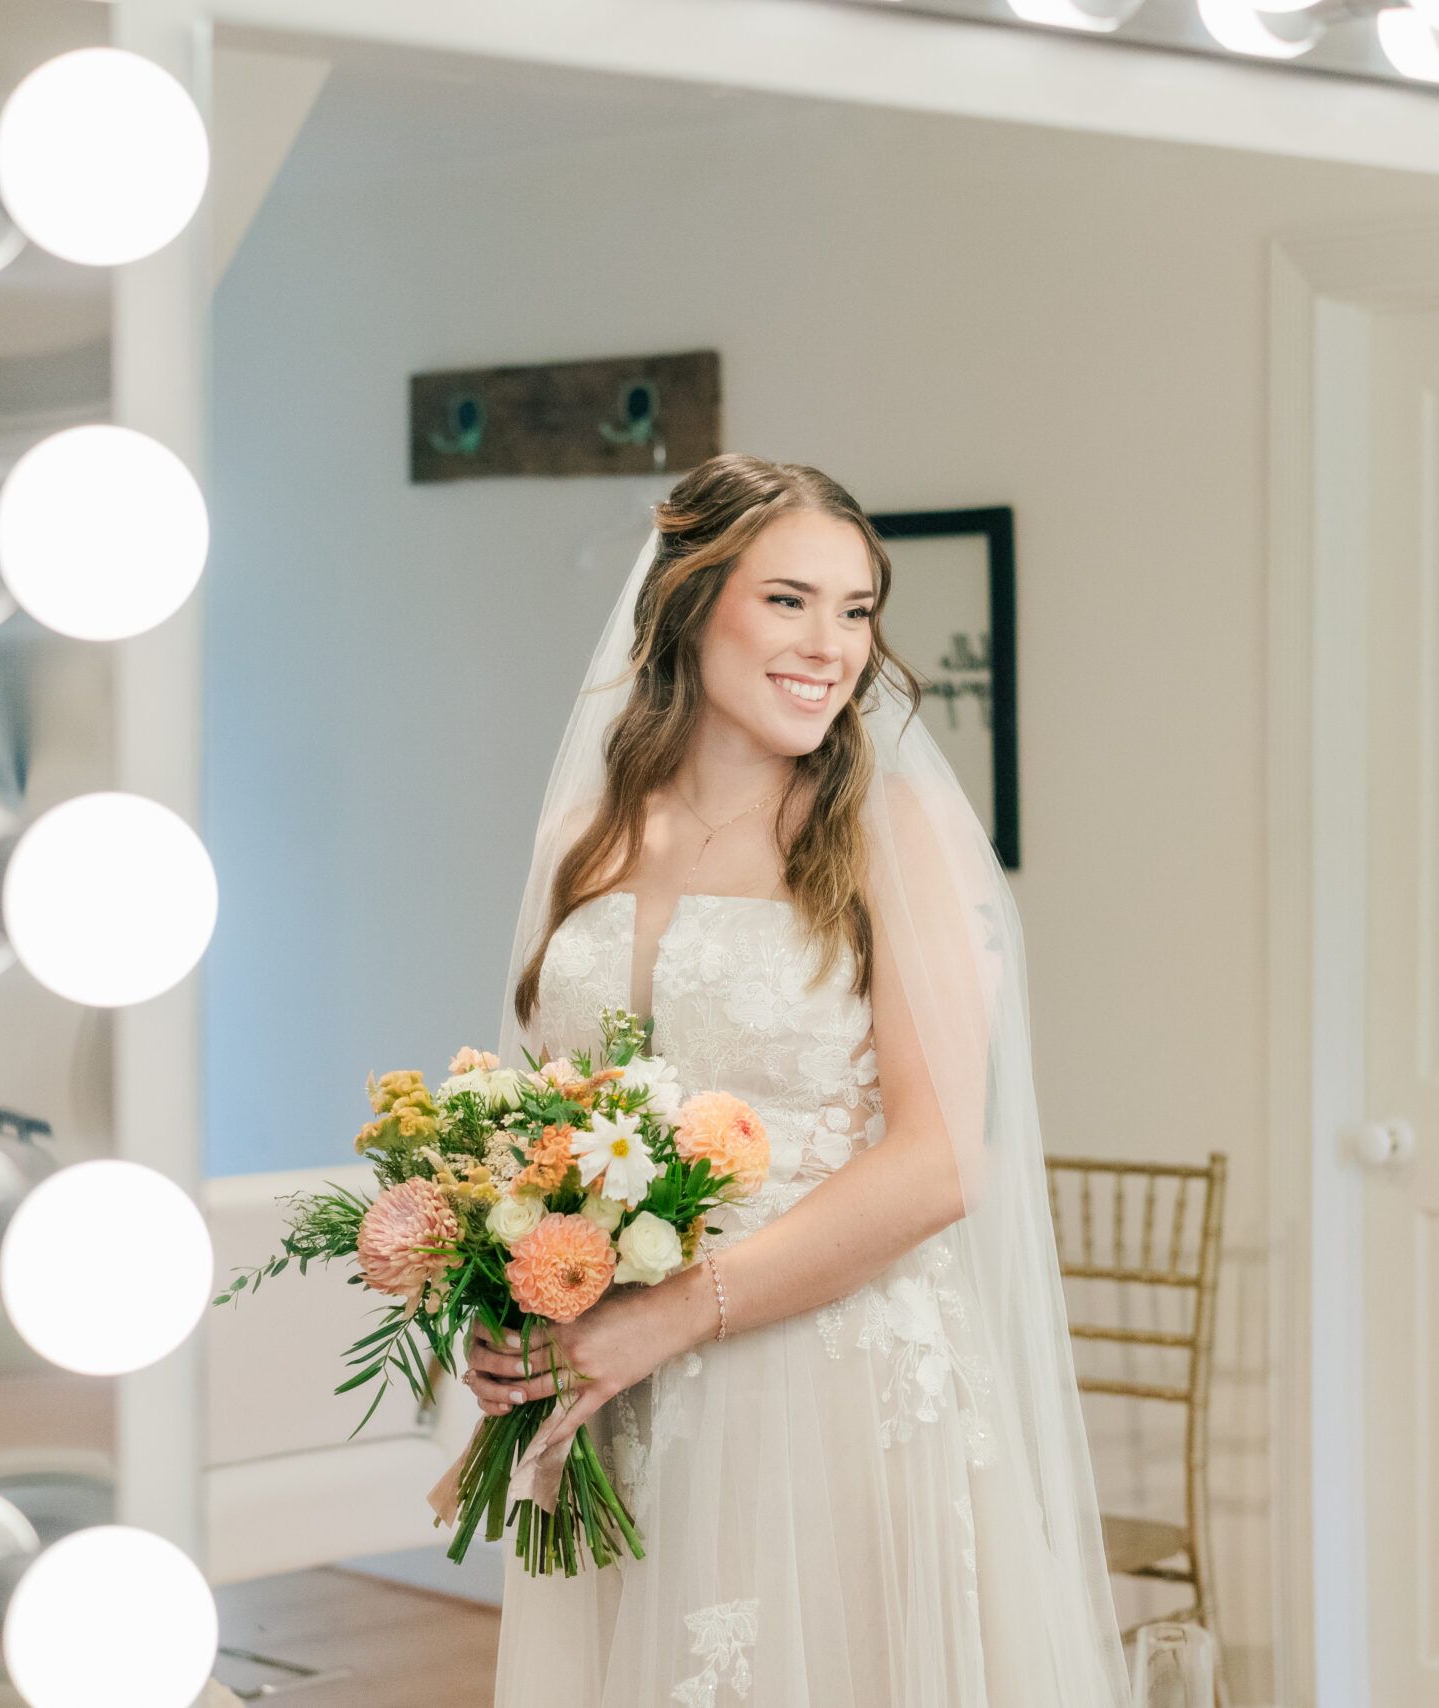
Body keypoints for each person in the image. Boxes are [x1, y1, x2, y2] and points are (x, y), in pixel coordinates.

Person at [462, 454, 1129, 1705]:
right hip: (618, 1398)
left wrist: (671, 1312)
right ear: (687, 604)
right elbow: (544, 1137)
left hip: (826, 1383)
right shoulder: (589, 830)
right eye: (788, 601)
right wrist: (514, 1306)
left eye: (856, 608)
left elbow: (938, 1163)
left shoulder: (894, 837)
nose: (830, 645)